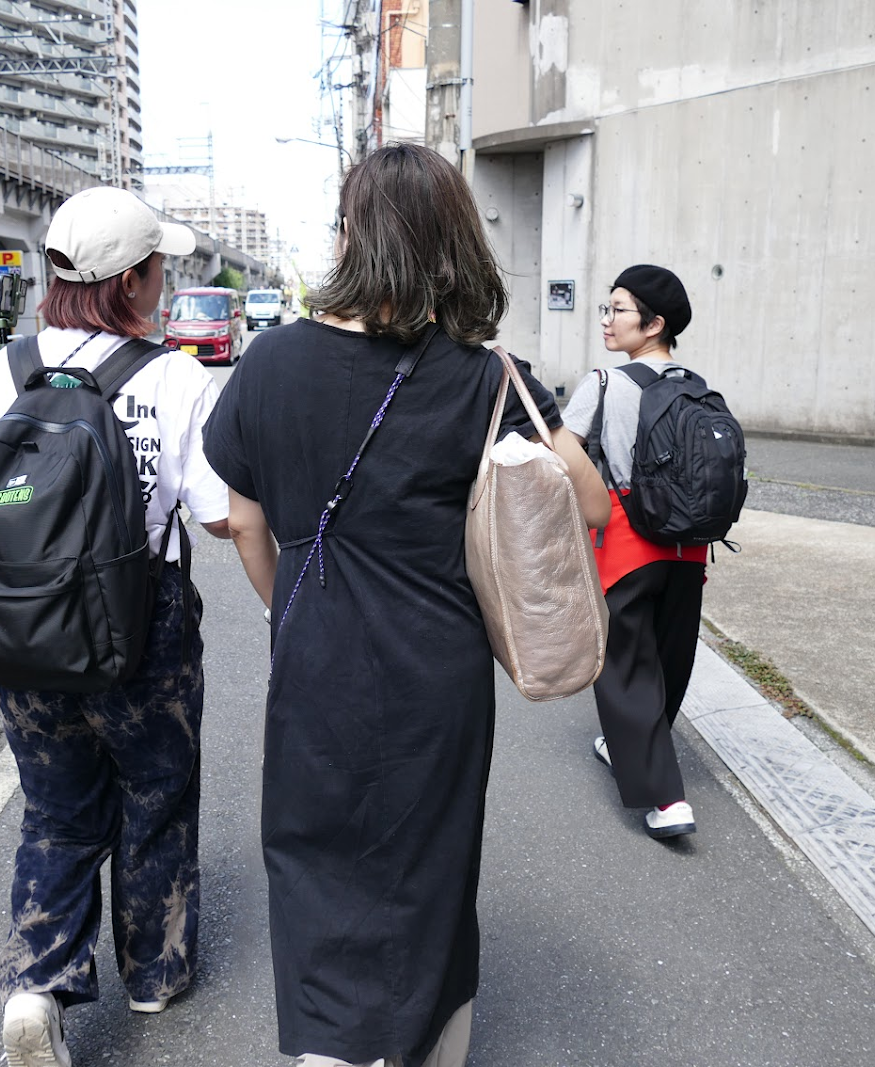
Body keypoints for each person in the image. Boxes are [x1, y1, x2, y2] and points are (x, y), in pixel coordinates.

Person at [202, 143, 609, 1067]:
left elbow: (245, 523)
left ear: (350, 236)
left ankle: (330, 1047)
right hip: (439, 670)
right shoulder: (483, 378)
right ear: (450, 244)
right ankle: (424, 1037)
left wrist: (292, 613)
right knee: (430, 860)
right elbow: (585, 502)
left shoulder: (269, 365)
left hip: (314, 659)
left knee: (312, 856)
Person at [0, 186, 233, 1067]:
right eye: (161, 266)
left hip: (27, 629)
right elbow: (220, 514)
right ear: (137, 279)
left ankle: (36, 984)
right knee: (156, 793)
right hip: (142, 631)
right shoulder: (177, 377)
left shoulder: (7, 369)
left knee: (58, 809)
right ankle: (153, 970)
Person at [559, 265, 710, 840]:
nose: (607, 319)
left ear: (654, 324)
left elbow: (566, 454)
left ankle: (665, 799)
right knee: (668, 662)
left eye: (618, 309)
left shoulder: (603, 383)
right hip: (688, 549)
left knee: (624, 667)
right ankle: (623, 745)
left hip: (626, 543)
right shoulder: (696, 386)